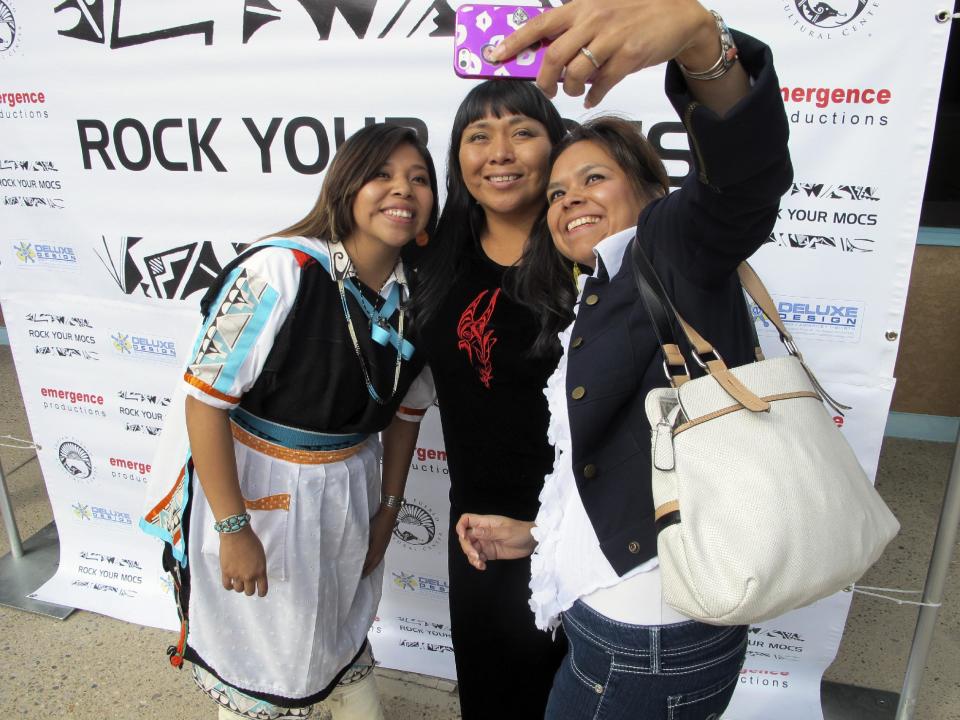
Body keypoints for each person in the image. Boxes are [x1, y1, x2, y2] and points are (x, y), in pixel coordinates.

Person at [455, 1, 793, 718]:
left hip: (650, 647)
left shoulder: (674, 251)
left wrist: (704, 45)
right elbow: (618, 469)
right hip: (622, 629)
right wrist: (538, 535)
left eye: (594, 179)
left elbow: (744, 180)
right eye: (558, 191)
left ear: (647, 189)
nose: (571, 198)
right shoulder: (598, 289)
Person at [140, 123, 438, 720]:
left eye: (419, 179)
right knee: (266, 652)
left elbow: (406, 412)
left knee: (335, 621)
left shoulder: (420, 295)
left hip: (351, 480)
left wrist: (388, 508)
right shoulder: (278, 271)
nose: (401, 189)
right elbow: (205, 400)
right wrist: (232, 528)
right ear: (346, 187)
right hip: (259, 485)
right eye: (381, 174)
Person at [411, 67, 572, 720]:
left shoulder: (584, 246)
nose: (500, 153)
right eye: (479, 136)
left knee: (574, 695)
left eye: (523, 132)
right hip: (477, 524)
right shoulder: (436, 251)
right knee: (492, 693)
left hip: (584, 523)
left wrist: (550, 533)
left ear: (556, 148)